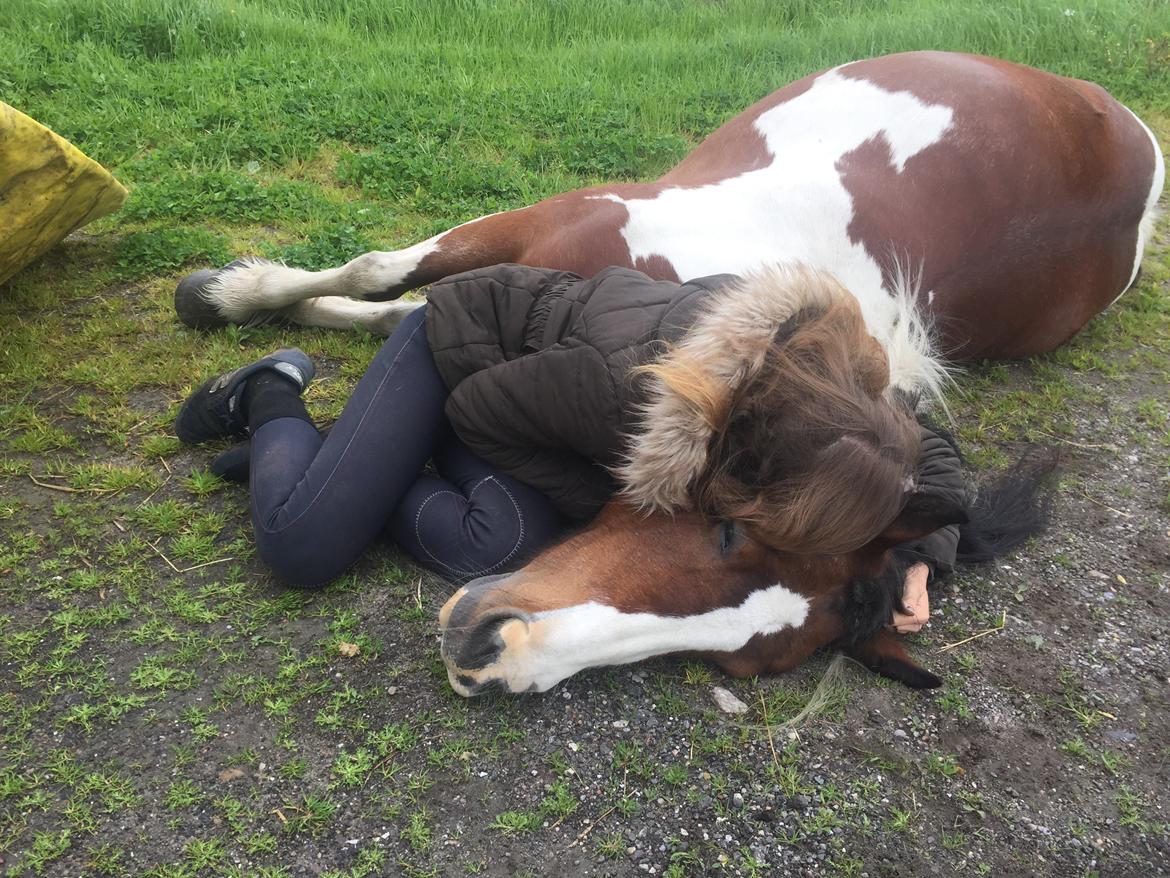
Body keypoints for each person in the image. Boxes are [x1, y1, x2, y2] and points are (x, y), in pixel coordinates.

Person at [174, 263, 964, 628]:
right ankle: (268, 393)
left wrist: (920, 554)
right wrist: (599, 500)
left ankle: (346, 465)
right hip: (462, 354)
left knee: (504, 543)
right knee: (303, 546)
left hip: (542, 391)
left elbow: (929, 454)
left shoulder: (837, 388)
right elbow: (479, 414)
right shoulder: (623, 397)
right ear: (764, 469)